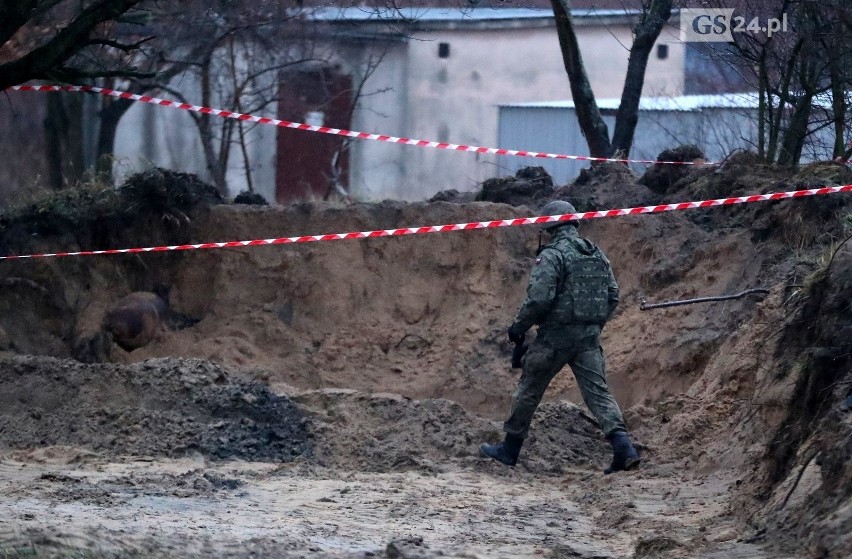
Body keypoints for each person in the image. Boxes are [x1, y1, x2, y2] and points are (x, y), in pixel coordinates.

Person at [480, 200, 640, 475]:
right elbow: (613, 294)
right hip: (588, 338)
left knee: (528, 390)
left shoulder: (553, 255)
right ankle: (624, 448)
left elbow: (539, 298)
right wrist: (592, 324)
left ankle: (509, 449)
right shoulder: (596, 253)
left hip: (554, 338)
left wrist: (518, 327)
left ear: (550, 227)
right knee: (598, 394)